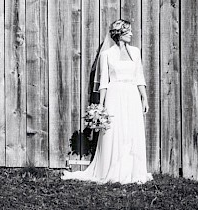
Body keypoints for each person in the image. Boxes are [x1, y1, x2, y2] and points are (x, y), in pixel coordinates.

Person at [63, 18, 151, 184]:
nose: (131, 34)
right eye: (128, 31)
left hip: (131, 94)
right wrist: (100, 106)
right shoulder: (107, 55)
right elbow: (103, 82)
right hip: (114, 95)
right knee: (113, 132)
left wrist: (144, 98)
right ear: (119, 34)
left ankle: (132, 172)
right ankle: (112, 170)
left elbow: (139, 76)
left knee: (131, 131)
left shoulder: (136, 52)